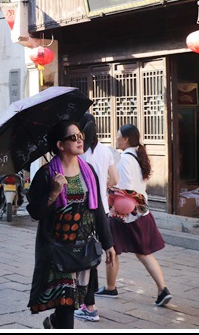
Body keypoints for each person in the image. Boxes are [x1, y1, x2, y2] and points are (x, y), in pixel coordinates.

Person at [28, 121, 115, 329]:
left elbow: (97, 209)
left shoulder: (89, 171)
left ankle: (54, 322)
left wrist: (108, 243)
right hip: (57, 248)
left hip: (83, 247)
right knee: (66, 302)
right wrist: (53, 194)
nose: (80, 140)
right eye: (73, 137)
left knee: (73, 301)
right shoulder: (47, 174)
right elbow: (36, 213)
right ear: (60, 144)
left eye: (81, 136)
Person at [96, 123, 172, 307]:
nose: (115, 139)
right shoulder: (138, 157)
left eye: (117, 135)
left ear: (126, 139)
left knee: (111, 250)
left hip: (124, 215)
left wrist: (109, 190)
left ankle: (110, 287)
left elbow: (125, 189)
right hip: (141, 213)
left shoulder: (125, 160)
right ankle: (163, 289)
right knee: (144, 253)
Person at [73, 113, 119, 322]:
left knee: (85, 258)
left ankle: (88, 304)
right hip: (101, 208)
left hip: (84, 210)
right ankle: (87, 302)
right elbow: (115, 179)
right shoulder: (105, 150)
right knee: (92, 255)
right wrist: (102, 189)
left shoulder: (79, 153)